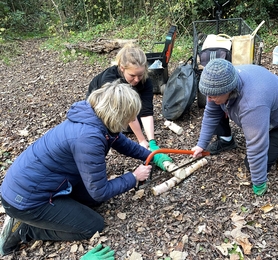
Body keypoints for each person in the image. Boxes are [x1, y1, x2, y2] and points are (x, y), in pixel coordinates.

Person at [0, 80, 169, 256]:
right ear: (118, 113)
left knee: (94, 202)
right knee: (92, 226)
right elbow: (100, 191)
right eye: (130, 115)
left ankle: (49, 214)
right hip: (26, 201)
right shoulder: (89, 138)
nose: (133, 119)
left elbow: (122, 143)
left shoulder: (95, 118)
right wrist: (133, 177)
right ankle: (25, 230)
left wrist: (151, 156)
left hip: (41, 183)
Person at [191, 59, 278, 196]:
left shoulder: (252, 104)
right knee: (217, 107)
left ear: (228, 90)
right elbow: (211, 113)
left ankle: (277, 142)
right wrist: (201, 144)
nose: (209, 99)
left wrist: (259, 183)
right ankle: (226, 140)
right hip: (262, 111)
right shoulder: (223, 79)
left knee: (252, 165)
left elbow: (256, 146)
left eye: (212, 95)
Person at [87, 43, 162, 153]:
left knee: (136, 124)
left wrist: (151, 142)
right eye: (132, 75)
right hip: (101, 103)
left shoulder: (146, 81)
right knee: (114, 127)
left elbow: (146, 111)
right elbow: (124, 110)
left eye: (140, 75)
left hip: (124, 102)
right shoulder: (110, 78)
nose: (137, 79)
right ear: (122, 68)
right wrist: (141, 140)